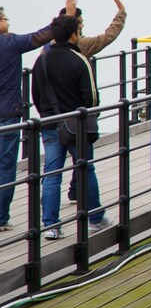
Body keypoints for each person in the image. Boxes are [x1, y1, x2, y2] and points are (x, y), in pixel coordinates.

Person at [0, 0, 76, 232]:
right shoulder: (10, 43)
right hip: (7, 113)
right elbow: (43, 35)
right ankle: (1, 217)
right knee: (5, 164)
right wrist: (67, 17)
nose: (8, 20)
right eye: (3, 17)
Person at [31, 14, 111, 239]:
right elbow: (91, 98)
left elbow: (35, 94)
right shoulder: (79, 59)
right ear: (74, 34)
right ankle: (95, 218)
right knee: (85, 169)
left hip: (49, 122)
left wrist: (46, 113)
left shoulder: (42, 60)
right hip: (76, 124)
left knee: (52, 174)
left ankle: (51, 225)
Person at [61, 0, 126, 203]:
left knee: (55, 163)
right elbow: (107, 37)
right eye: (80, 23)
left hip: (54, 111)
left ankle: (68, 194)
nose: (82, 26)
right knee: (84, 157)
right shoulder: (81, 45)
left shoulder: (49, 48)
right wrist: (121, 15)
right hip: (78, 109)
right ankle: (85, 202)